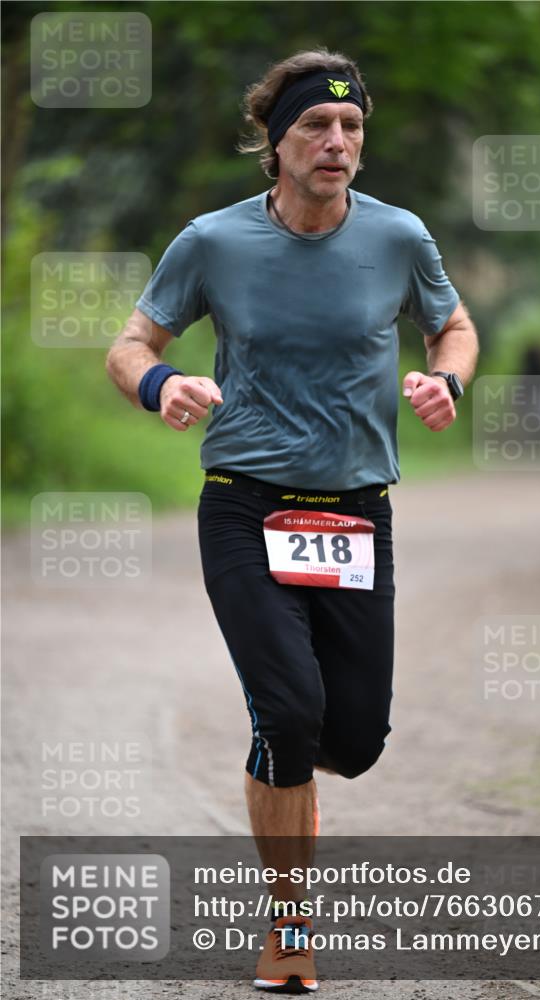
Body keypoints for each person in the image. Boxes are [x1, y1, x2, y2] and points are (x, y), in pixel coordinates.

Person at [106, 47, 478, 994]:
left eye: (351, 127)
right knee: (289, 711)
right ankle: (289, 929)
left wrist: (447, 379)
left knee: (350, 740)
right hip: (244, 505)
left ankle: (287, 771)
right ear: (275, 144)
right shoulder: (214, 241)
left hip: (356, 513)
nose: (337, 142)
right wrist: (161, 383)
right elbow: (132, 341)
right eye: (316, 125)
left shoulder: (398, 237)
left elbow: (453, 324)